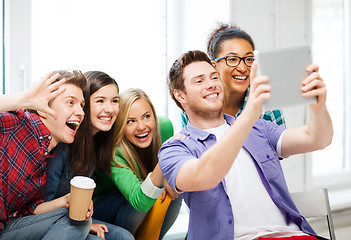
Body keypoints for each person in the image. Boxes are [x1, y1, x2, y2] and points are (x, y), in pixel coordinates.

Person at [159, 50, 333, 240]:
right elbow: (205, 175)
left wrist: (318, 107)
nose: (211, 84)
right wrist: (249, 114)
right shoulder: (175, 149)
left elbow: (316, 139)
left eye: (214, 77)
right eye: (199, 81)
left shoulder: (258, 128)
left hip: (295, 235)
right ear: (180, 95)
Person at [0, 70, 92, 240]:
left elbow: (28, 211)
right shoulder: (17, 124)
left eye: (82, 105)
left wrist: (66, 200)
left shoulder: (46, 155)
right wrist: (25, 99)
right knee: (74, 219)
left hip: (8, 228)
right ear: (43, 109)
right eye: (70, 102)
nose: (81, 112)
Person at [44, 71, 134, 240]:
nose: (109, 109)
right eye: (100, 101)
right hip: (51, 220)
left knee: (124, 237)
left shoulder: (98, 141)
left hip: (77, 216)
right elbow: (40, 206)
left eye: (115, 101)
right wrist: (85, 223)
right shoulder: (63, 142)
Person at [93, 88, 182, 239]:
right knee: (139, 196)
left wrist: (169, 175)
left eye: (146, 116)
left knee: (174, 188)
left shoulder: (165, 127)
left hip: (138, 201)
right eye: (131, 121)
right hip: (103, 208)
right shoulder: (114, 152)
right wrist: (164, 163)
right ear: (120, 126)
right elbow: (139, 201)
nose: (141, 126)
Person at [181, 23, 285, 127]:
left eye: (249, 59)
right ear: (214, 66)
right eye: (232, 59)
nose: (243, 68)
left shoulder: (267, 107)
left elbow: (283, 142)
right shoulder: (193, 103)